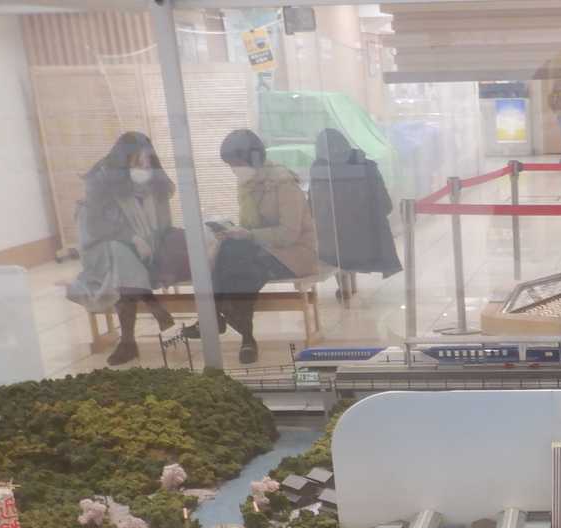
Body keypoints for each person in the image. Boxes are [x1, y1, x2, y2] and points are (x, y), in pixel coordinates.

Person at [184, 129, 318, 366]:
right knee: (234, 257)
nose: (234, 170)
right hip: (263, 250)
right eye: (230, 165)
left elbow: (289, 234)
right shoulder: (247, 185)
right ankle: (243, 336)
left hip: (294, 254)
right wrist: (233, 232)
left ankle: (218, 319)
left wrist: (249, 235)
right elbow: (248, 226)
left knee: (240, 267)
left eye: (236, 164)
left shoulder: (284, 184)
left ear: (252, 158)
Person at [68, 132, 179, 367]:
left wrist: (154, 245)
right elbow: (95, 226)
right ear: (123, 160)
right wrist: (132, 237)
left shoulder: (154, 181)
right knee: (120, 256)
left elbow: (164, 225)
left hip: (145, 248)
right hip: (102, 246)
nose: (146, 165)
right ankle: (147, 314)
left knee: (130, 264)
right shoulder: (101, 181)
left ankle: (130, 341)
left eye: (148, 160)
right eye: (139, 161)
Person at [309, 128, 401, 279]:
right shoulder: (367, 167)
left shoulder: (319, 170)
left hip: (332, 247)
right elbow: (386, 205)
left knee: (334, 241)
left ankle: (344, 284)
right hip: (369, 245)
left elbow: (312, 209)